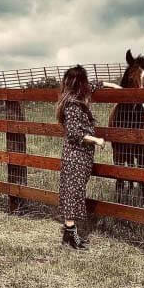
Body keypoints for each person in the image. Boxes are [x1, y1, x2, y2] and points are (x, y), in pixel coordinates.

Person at [56, 65, 107, 249]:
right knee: (73, 193)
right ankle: (70, 235)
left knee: (75, 191)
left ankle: (68, 235)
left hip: (81, 156)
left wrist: (113, 86)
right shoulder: (72, 105)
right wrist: (96, 140)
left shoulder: (76, 97)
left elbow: (94, 85)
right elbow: (74, 133)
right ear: (79, 84)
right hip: (75, 155)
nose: (88, 85)